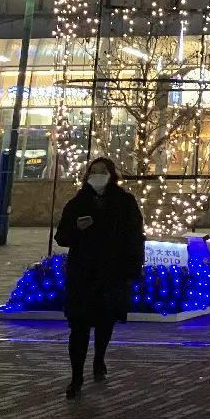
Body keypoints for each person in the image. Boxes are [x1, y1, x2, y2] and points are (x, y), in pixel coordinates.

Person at [53, 157, 145, 399]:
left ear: (111, 174)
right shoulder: (78, 203)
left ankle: (99, 359)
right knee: (79, 326)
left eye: (102, 171)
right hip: (83, 273)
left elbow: (135, 236)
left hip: (112, 273)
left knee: (105, 322)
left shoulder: (124, 202)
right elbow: (62, 236)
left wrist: (133, 266)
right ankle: (76, 377)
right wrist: (77, 229)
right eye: (93, 171)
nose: (97, 175)